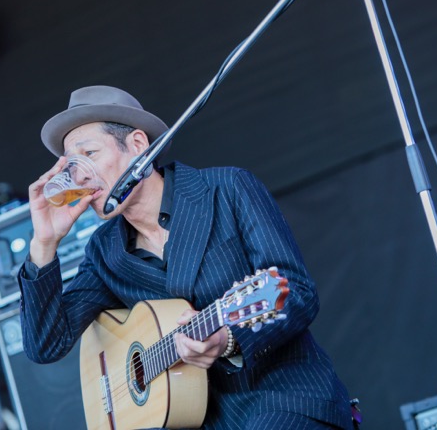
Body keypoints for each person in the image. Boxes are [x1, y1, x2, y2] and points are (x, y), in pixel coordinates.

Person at [18, 85, 354, 429]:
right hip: (203, 419)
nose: (81, 174)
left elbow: (296, 291)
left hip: (287, 397)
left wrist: (229, 340)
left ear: (137, 145)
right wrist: (44, 243)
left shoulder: (228, 188)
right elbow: (46, 345)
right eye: (72, 165)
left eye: (90, 153)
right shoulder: (104, 251)